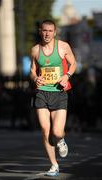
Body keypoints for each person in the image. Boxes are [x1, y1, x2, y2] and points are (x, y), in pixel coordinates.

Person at [30, 19, 76, 177]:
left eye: (50, 31)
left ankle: (61, 140)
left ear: (55, 32)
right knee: (45, 130)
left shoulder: (63, 46)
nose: (47, 33)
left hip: (59, 92)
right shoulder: (35, 50)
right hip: (42, 92)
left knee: (57, 132)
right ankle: (54, 165)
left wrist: (67, 75)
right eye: (44, 30)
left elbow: (74, 63)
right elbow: (32, 70)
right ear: (40, 31)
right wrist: (35, 78)